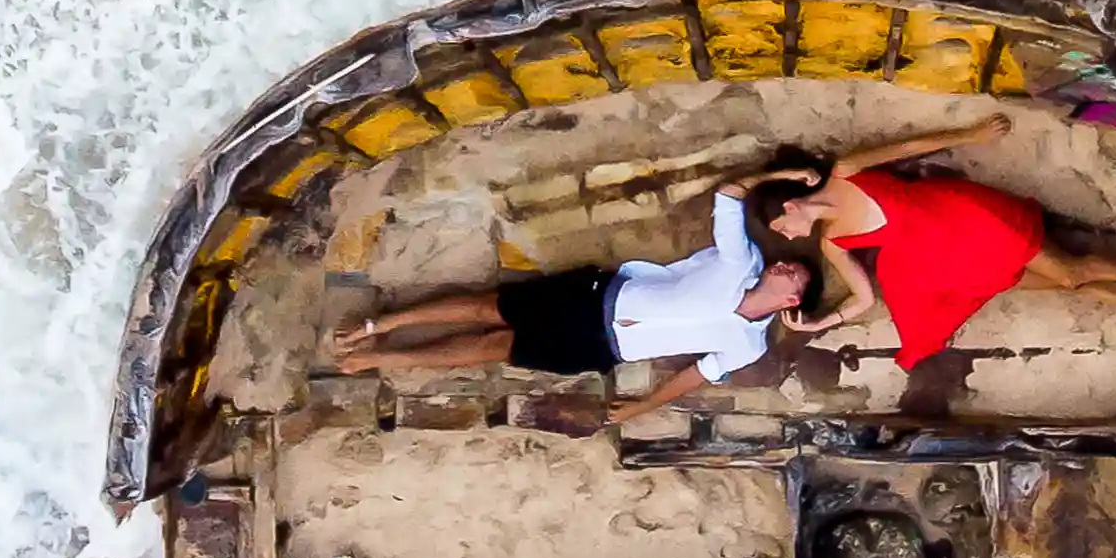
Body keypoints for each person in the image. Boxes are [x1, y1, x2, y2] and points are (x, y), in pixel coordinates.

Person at [747, 113, 1116, 369]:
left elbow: (908, 148)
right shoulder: (832, 242)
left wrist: (969, 135)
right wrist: (819, 323)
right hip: (950, 265)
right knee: (1065, 285)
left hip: (971, 219)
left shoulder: (846, 172)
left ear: (789, 206)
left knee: (1072, 272)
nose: (787, 238)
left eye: (781, 229)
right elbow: (863, 298)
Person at [318, 185, 810, 424]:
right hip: (595, 295)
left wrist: (641, 406)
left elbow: (695, 376)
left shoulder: (748, 344)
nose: (785, 265)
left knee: (493, 348)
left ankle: (385, 357)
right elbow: (731, 193)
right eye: (789, 262)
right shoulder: (739, 259)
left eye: (795, 275)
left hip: (603, 347)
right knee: (486, 308)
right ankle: (379, 323)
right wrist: (788, 177)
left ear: (790, 302)